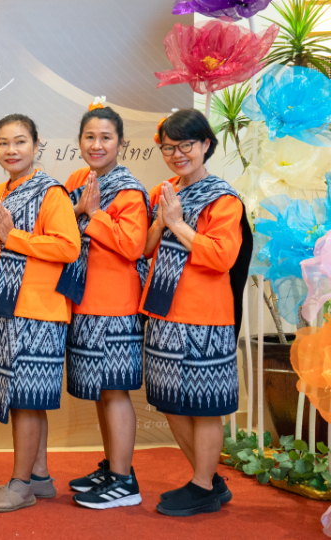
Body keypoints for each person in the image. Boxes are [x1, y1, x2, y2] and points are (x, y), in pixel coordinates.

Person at [143, 109, 248, 517]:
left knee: (204, 404)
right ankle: (209, 480)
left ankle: (203, 485)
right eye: (168, 147)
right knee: (170, 400)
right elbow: (146, 249)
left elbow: (222, 257)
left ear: (206, 144)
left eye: (185, 145)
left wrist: (177, 223)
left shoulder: (223, 199)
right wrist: (160, 223)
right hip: (164, 311)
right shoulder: (165, 190)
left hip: (204, 316)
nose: (177, 154)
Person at [0, 114, 80, 513]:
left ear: (37, 145)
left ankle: (20, 485)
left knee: (25, 398)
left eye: (20, 141)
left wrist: (13, 237)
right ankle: (39, 476)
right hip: (7, 305)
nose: (11, 150)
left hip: (38, 309)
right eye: (3, 143)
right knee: (28, 397)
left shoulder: (51, 192)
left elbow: (67, 247)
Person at [56, 101, 150, 509]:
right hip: (83, 299)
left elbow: (133, 246)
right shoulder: (79, 178)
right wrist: (78, 209)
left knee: (114, 391)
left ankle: (124, 481)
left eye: (106, 138)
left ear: (121, 143)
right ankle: (113, 467)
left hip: (115, 304)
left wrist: (93, 213)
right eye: (90, 137)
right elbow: (61, 224)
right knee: (100, 390)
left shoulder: (129, 190)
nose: (97, 144)